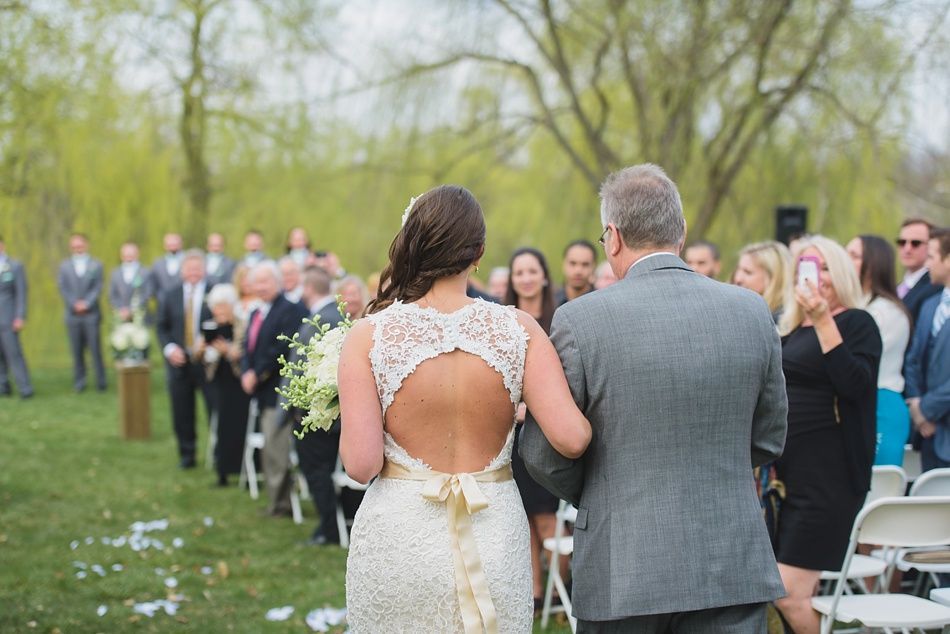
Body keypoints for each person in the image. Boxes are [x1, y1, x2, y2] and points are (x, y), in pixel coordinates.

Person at [520, 164, 787, 632]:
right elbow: (768, 437)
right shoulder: (751, 311)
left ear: (613, 237)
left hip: (622, 561)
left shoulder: (579, 320)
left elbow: (543, 451)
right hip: (728, 560)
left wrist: (605, 491)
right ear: (680, 232)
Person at [338, 185, 591, 632]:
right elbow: (572, 438)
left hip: (398, 534)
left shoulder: (368, 335)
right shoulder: (520, 329)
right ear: (479, 253)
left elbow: (360, 465)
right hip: (492, 525)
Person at [774, 235, 881, 632]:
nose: (814, 276)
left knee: (789, 593)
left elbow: (854, 385)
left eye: (821, 266)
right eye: (805, 266)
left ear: (839, 272)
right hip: (787, 477)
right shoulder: (788, 329)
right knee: (789, 589)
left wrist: (822, 318)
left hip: (829, 478)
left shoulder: (857, 323)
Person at [504, 247, 561, 607]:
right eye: (518, 272)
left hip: (549, 429)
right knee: (523, 518)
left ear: (543, 275)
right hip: (514, 434)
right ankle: (535, 592)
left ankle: (561, 588)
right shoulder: (502, 319)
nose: (525, 278)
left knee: (548, 517)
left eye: (531, 271)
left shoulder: (560, 317)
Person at [280, 266, 346, 545]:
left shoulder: (321, 318)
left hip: (317, 413)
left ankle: (328, 530)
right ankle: (330, 526)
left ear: (308, 288)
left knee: (317, 471)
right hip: (330, 412)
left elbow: (308, 368)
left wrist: (292, 405)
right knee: (324, 471)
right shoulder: (337, 314)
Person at [240, 261, 308, 517]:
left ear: (278, 282)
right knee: (269, 448)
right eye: (257, 282)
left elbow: (281, 348)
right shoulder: (256, 312)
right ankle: (275, 501)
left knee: (277, 449)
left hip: (278, 390)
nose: (261, 287)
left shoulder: (289, 310)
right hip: (259, 388)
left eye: (265, 281)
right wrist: (246, 369)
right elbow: (248, 345)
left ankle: (281, 505)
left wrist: (257, 374)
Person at [846, 235, 912, 466]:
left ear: (874, 263)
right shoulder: (857, 306)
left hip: (881, 405)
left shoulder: (886, 312)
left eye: (854, 255)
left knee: (880, 488)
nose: (845, 261)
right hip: (857, 405)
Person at [157, 250, 212, 469]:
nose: (193, 273)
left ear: (204, 270)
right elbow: (162, 325)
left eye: (197, 268)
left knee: (213, 408)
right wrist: (170, 349)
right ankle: (187, 453)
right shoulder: (170, 295)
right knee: (181, 411)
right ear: (182, 271)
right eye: (189, 268)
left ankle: (218, 453)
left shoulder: (214, 291)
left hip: (207, 363)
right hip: (179, 363)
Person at [904, 227, 950, 471]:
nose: (928, 264)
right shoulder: (930, 305)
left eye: (932, 257)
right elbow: (912, 359)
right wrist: (916, 406)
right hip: (927, 438)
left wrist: (927, 411)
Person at [196, 283, 249, 487]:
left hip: (237, 383)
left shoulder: (240, 325)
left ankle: (242, 470)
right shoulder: (209, 326)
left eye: (223, 307)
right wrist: (201, 349)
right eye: (216, 307)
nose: (219, 312)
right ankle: (223, 471)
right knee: (220, 426)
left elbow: (243, 352)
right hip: (218, 382)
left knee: (238, 425)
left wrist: (227, 350)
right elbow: (198, 355)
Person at [57, 233, 107, 393]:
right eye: (74, 246)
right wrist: (74, 304)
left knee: (95, 349)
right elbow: (63, 288)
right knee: (76, 350)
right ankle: (79, 382)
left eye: (80, 245)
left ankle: (101, 382)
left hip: (91, 314)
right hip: (72, 315)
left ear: (86, 245)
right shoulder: (64, 266)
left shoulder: (96, 265)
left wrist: (86, 303)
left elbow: (98, 286)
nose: (77, 249)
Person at [0, 235, 33, 398]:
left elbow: (21, 293)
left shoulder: (14, 266)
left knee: (14, 354)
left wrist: (20, 316)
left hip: (8, 318)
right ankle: (3, 387)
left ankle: (25, 388)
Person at [734, 240, 793, 323]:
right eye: (738, 270)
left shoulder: (782, 325)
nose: (737, 279)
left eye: (748, 272)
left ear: (774, 277)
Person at [897, 218, 941, 323]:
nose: (907, 249)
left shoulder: (936, 288)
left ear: (932, 245)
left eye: (915, 243)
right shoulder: (897, 287)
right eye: (902, 242)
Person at [108, 242, 151, 322]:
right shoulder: (115, 273)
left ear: (137, 254)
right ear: (121, 255)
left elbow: (147, 293)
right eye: (126, 253)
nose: (128, 255)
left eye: (131, 253)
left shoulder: (145, 272)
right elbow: (112, 295)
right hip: (119, 316)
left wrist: (132, 310)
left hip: (140, 316)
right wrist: (121, 309)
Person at [554, 240, 596, 306]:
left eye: (585, 264)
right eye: (572, 263)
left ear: (593, 266)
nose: (578, 271)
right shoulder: (550, 302)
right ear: (563, 264)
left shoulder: (600, 302)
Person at [150, 233, 184, 301]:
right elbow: (153, 284)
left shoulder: (187, 261)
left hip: (182, 300)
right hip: (163, 301)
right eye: (170, 244)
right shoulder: (157, 263)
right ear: (165, 245)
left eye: (175, 244)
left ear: (181, 244)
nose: (172, 247)